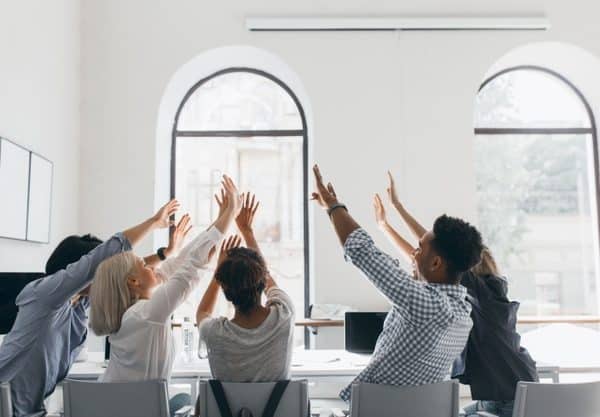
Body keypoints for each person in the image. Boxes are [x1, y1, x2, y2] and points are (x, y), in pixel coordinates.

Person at [311, 164, 482, 402]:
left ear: (436, 264)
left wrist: (333, 206)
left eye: (420, 248)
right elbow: (390, 268)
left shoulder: (428, 306)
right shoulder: (464, 315)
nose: (414, 253)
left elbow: (364, 253)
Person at [375, 171, 538, 417]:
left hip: (508, 401)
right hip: (509, 393)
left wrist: (398, 207)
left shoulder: (480, 293)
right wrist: (385, 226)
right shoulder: (489, 296)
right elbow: (423, 259)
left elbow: (435, 248)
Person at [0, 199, 180, 417]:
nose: (107, 275)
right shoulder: (44, 296)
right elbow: (106, 260)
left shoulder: (79, 304)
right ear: (80, 272)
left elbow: (126, 272)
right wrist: (153, 222)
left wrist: (163, 255)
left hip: (31, 411)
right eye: (99, 269)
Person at [88, 176, 241, 416]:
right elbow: (190, 268)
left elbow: (182, 261)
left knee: (181, 399)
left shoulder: (135, 315)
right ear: (134, 282)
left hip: (112, 407)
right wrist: (230, 214)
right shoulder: (144, 315)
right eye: (144, 265)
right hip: (133, 411)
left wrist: (220, 222)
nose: (154, 267)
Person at [196, 193, 295, 382]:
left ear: (224, 287)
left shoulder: (214, 333)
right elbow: (267, 277)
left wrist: (220, 270)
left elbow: (202, 312)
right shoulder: (285, 314)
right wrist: (247, 231)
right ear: (262, 281)